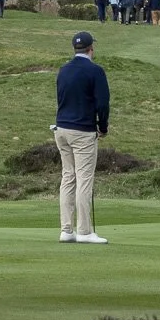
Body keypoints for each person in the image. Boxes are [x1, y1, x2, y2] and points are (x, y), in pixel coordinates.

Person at [54, 30, 111, 245]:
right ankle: (85, 231)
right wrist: (102, 127)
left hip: (61, 129)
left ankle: (66, 230)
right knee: (84, 180)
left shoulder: (63, 70)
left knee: (68, 177)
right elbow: (102, 104)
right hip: (83, 131)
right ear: (91, 49)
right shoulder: (95, 71)